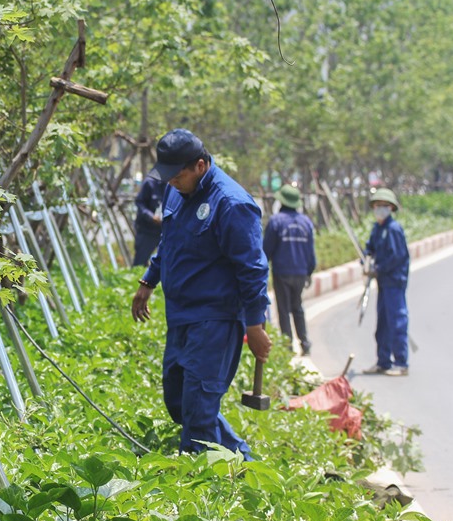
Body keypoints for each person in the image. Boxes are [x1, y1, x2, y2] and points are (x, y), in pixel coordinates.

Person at [131, 129, 271, 459]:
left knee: (199, 406)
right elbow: (169, 241)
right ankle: (238, 460)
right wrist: (149, 281)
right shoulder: (176, 192)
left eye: (178, 176)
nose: (172, 183)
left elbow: (253, 268)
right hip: (180, 315)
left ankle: (202, 477)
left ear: (200, 166)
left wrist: (255, 325)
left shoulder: (232, 204)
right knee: (178, 398)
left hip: (215, 320)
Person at [263, 184, 316, 355]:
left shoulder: (276, 221)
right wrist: (309, 271)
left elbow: (267, 249)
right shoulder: (306, 222)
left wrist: (262, 268)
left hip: (281, 272)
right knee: (298, 307)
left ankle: (287, 347)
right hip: (300, 272)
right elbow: (310, 250)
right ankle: (305, 344)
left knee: (284, 309)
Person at [362, 188, 409, 376]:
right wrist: (366, 258)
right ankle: (383, 361)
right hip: (383, 283)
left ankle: (401, 363)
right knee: (383, 323)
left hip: (394, 282)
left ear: (390, 208)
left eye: (383, 206)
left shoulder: (394, 230)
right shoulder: (378, 229)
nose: (379, 210)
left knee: (397, 321)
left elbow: (397, 257)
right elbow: (370, 248)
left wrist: (378, 269)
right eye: (376, 206)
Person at [132, 174, 165, 266]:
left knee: (164, 262)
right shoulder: (150, 182)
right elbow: (139, 203)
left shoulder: (173, 184)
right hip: (147, 230)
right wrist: (151, 217)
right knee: (140, 262)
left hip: (163, 230)